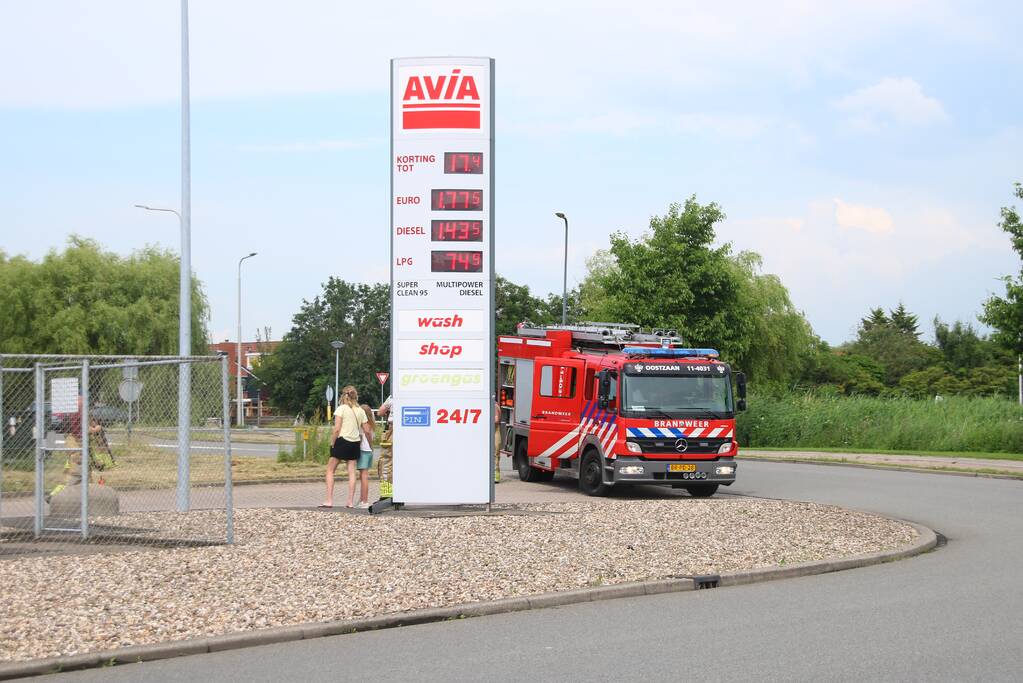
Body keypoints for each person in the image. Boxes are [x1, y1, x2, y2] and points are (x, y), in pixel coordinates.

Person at [320, 385, 369, 509]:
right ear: (355, 396)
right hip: (355, 443)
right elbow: (367, 429)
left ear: (343, 396)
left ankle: (329, 500)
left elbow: (337, 429)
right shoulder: (360, 410)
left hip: (342, 441)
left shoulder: (341, 408)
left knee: (330, 470)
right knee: (351, 472)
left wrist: (332, 443)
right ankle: (350, 502)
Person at [357, 403, 376, 507]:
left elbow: (363, 437)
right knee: (363, 475)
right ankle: (362, 500)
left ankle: (364, 501)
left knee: (363, 476)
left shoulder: (364, 425)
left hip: (363, 450)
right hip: (368, 452)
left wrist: (370, 445)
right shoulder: (372, 424)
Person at [376, 394, 394, 499]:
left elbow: (380, 412)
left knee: (387, 462)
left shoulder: (392, 396)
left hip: (392, 430)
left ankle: (386, 494)